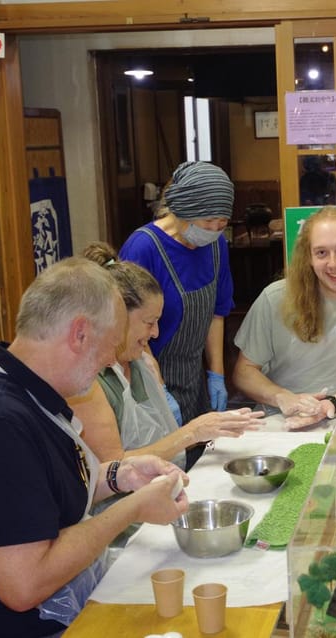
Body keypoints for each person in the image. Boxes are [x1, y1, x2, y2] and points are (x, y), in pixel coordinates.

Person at [0, 257, 189, 638]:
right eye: (110, 345)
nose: (110, 360)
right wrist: (132, 508)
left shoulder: (21, 383)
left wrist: (119, 477)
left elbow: (40, 493)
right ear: (79, 334)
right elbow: (24, 586)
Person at [74, 242, 263, 471]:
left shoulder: (142, 364)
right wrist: (191, 432)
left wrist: (213, 428)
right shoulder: (88, 383)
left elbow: (161, 440)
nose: (155, 333)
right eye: (149, 323)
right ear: (117, 316)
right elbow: (113, 468)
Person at [232, 206, 336, 429]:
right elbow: (244, 372)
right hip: (278, 418)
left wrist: (331, 404)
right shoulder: (274, 298)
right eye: (321, 253)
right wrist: (282, 397)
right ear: (309, 258)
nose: (333, 263)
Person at [120, 161, 235, 466]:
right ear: (183, 210)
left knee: (202, 464)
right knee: (162, 468)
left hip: (194, 377)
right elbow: (129, 329)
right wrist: (159, 391)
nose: (215, 229)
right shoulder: (143, 248)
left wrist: (216, 374)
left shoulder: (216, 245)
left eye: (223, 222)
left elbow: (217, 313)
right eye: (209, 220)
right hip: (149, 378)